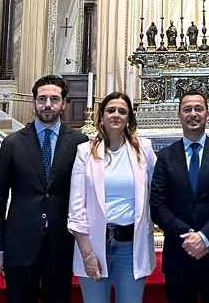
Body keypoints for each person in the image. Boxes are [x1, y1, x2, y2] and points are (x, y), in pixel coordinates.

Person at [0, 75, 89, 303]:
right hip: (20, 243)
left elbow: (86, 196)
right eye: (42, 99)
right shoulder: (12, 143)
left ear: (64, 103)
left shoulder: (79, 143)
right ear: (33, 102)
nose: (47, 105)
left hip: (62, 244)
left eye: (54, 99)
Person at [150, 90, 209, 303]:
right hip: (178, 251)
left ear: (207, 114)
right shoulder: (165, 156)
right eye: (187, 109)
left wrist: (204, 236)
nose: (193, 114)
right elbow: (157, 205)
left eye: (198, 109)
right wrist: (188, 235)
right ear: (179, 115)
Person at [69, 92, 157, 303]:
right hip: (94, 244)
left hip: (130, 245)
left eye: (122, 111)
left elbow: (156, 192)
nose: (116, 115)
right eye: (110, 110)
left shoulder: (143, 149)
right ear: (101, 117)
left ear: (129, 118)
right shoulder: (85, 151)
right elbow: (76, 206)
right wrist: (87, 253)